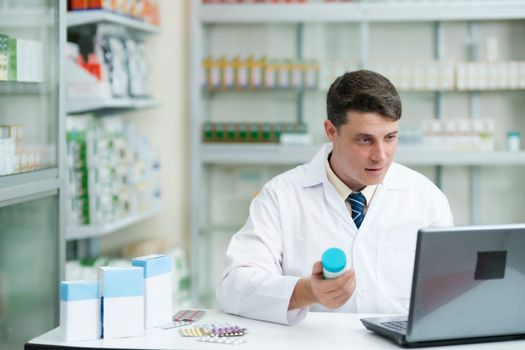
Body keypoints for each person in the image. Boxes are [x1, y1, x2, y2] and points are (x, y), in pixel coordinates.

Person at [216, 70, 454, 325]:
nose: (380, 156)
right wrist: (306, 292)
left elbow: (450, 291)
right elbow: (234, 287)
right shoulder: (281, 195)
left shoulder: (426, 198)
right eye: (365, 140)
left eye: (390, 138)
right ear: (331, 131)